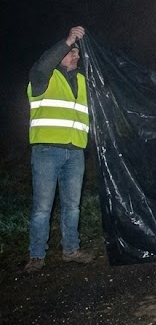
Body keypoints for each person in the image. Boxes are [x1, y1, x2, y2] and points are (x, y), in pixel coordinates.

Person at [25, 26, 95, 272]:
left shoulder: (84, 83)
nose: (75, 56)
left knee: (72, 205)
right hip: (47, 151)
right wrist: (67, 41)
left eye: (77, 53)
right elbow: (45, 61)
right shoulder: (43, 77)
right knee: (43, 207)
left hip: (75, 152)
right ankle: (36, 255)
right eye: (70, 53)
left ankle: (71, 250)